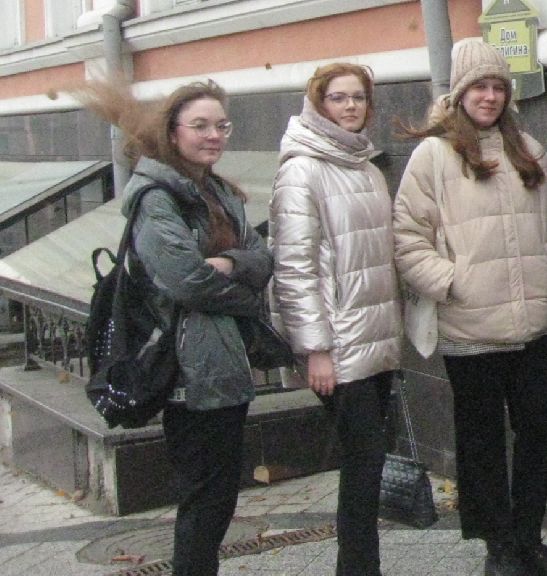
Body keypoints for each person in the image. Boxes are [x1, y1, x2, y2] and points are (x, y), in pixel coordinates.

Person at [79, 80, 278, 576]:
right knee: (203, 500)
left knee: (218, 499)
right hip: (189, 376)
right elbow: (187, 282)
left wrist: (230, 265)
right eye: (201, 126)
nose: (214, 135)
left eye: (221, 125)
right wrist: (247, 292)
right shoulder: (156, 199)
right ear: (173, 132)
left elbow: (261, 256)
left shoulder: (218, 192)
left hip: (222, 368)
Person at [392, 39, 547, 576]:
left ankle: (528, 536)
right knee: (482, 445)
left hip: (533, 328)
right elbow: (407, 237)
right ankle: (500, 547)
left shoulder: (530, 151)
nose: (489, 97)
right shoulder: (433, 155)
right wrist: (452, 283)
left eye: (497, 87)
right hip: (471, 332)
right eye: (479, 87)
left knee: (541, 434)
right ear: (460, 92)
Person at [270, 62, 402, 576]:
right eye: (338, 98)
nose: (351, 106)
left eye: (359, 98)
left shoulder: (366, 166)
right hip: (339, 350)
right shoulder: (301, 168)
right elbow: (294, 268)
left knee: (366, 465)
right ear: (317, 103)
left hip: (376, 343)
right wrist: (315, 350)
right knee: (363, 463)